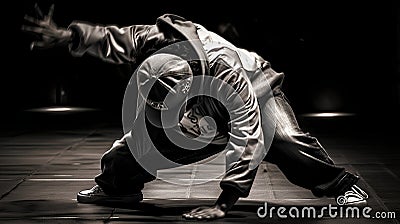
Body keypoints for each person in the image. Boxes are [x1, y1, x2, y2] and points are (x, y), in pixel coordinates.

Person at [22, 5, 369, 220]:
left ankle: (343, 185)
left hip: (255, 91)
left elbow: (249, 134)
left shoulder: (225, 72)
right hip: (195, 102)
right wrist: (69, 34)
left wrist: (225, 202)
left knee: (284, 141)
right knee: (142, 144)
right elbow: (111, 37)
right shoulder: (152, 42)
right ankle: (117, 186)